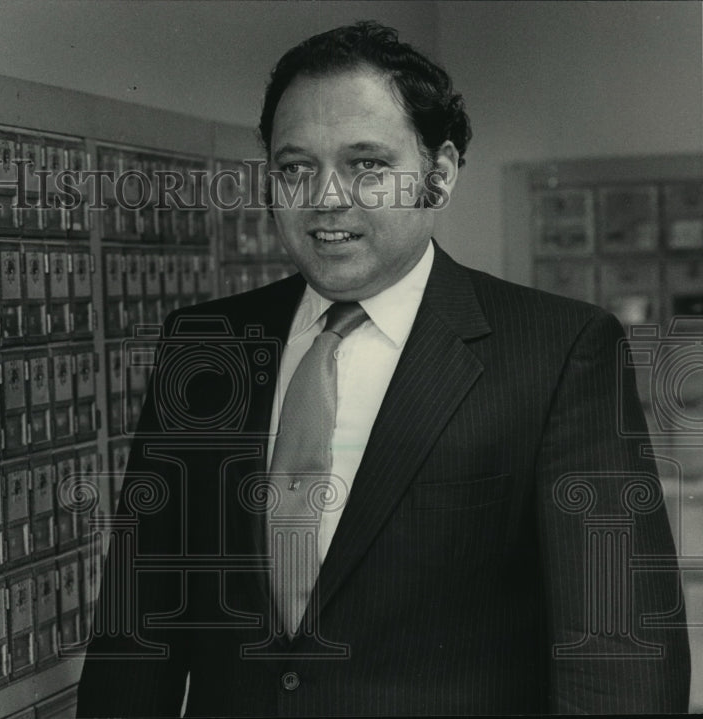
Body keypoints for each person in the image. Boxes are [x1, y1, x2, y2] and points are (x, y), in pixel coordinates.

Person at [77, 20, 690, 716]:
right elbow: (135, 639)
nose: (327, 197)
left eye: (366, 164)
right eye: (295, 166)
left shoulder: (558, 352)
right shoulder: (205, 347)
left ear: (440, 173)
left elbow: (620, 661)